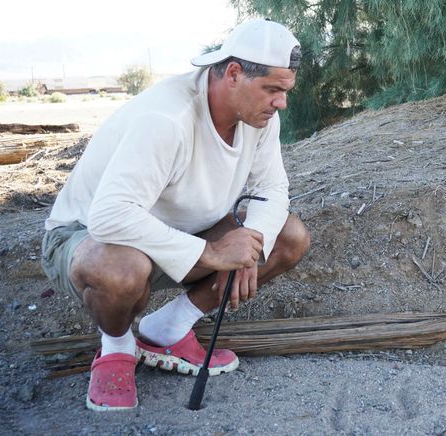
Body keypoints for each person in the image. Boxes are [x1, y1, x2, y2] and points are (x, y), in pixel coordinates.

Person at [40, 18, 310, 411]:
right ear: (233, 73)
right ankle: (116, 347)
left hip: (176, 233)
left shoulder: (259, 117)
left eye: (285, 91)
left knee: (287, 237)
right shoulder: (167, 118)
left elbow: (272, 190)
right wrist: (212, 255)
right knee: (121, 269)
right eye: (272, 89)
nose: (281, 102)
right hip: (89, 239)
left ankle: (167, 328)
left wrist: (253, 242)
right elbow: (110, 216)